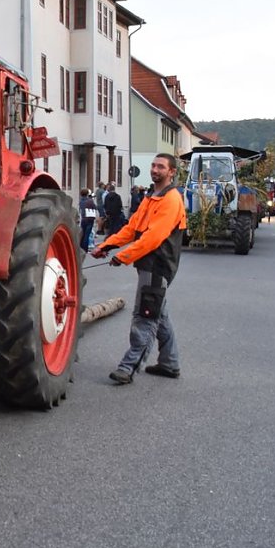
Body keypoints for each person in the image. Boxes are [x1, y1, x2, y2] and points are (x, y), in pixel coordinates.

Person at [90, 153, 187, 385]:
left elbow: (153, 238)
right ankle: (169, 363)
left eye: (161, 167)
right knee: (159, 313)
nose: (155, 169)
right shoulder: (151, 197)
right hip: (147, 265)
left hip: (158, 266)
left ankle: (128, 367)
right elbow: (132, 229)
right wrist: (106, 246)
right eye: (153, 165)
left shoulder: (171, 200)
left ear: (171, 172)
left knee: (145, 316)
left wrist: (122, 257)